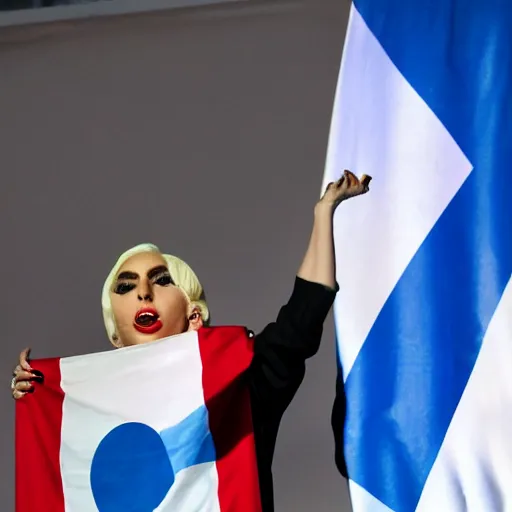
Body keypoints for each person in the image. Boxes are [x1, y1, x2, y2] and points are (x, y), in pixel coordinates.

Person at [11, 170, 371, 512]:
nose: (143, 292)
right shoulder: (81, 418)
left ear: (194, 316)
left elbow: (300, 321)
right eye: (126, 286)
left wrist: (324, 213)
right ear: (115, 334)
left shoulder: (237, 390)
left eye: (161, 280)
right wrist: (40, 398)